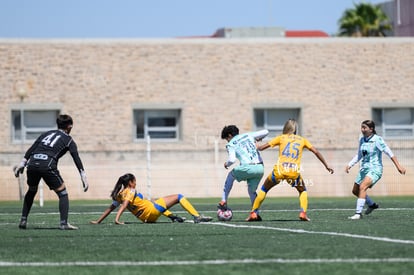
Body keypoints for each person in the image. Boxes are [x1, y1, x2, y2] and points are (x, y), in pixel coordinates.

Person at [246, 118, 334, 222]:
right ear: (295, 129)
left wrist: (256, 144)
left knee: (264, 189)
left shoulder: (281, 138)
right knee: (302, 190)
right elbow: (316, 152)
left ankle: (253, 213)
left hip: (278, 172)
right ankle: (303, 213)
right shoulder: (302, 140)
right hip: (293, 173)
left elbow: (261, 148)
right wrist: (326, 165)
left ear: (285, 128)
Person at [13, 114, 88, 230]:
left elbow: (32, 148)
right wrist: (83, 175)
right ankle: (63, 223)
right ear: (70, 127)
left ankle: (23, 219)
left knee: (32, 190)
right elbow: (76, 157)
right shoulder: (69, 140)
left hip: (32, 163)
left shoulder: (46, 134)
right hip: (47, 164)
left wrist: (22, 163)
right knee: (62, 193)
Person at [90, 173, 212, 224]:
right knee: (179, 196)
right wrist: (117, 219)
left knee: (152, 201)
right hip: (152, 211)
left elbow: (110, 208)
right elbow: (125, 204)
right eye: (135, 181)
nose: (136, 184)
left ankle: (174, 217)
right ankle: (197, 216)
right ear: (131, 182)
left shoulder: (119, 194)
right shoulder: (131, 191)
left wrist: (98, 221)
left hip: (146, 219)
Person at [345, 120, 406, 220]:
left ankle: (358, 213)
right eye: (362, 127)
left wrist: (398, 166)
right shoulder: (362, 139)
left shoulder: (377, 139)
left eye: (364, 128)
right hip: (364, 169)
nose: (362, 130)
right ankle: (371, 204)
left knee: (362, 187)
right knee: (355, 190)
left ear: (371, 129)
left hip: (375, 169)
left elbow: (389, 153)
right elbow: (360, 155)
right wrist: (350, 164)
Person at [219, 125, 269, 217]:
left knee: (231, 175)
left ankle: (223, 200)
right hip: (260, 168)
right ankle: (255, 213)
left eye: (227, 139)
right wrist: (259, 139)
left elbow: (232, 160)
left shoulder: (231, 144)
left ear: (229, 135)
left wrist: (226, 164)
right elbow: (266, 131)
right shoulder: (248, 135)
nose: (227, 141)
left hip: (247, 167)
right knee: (252, 191)